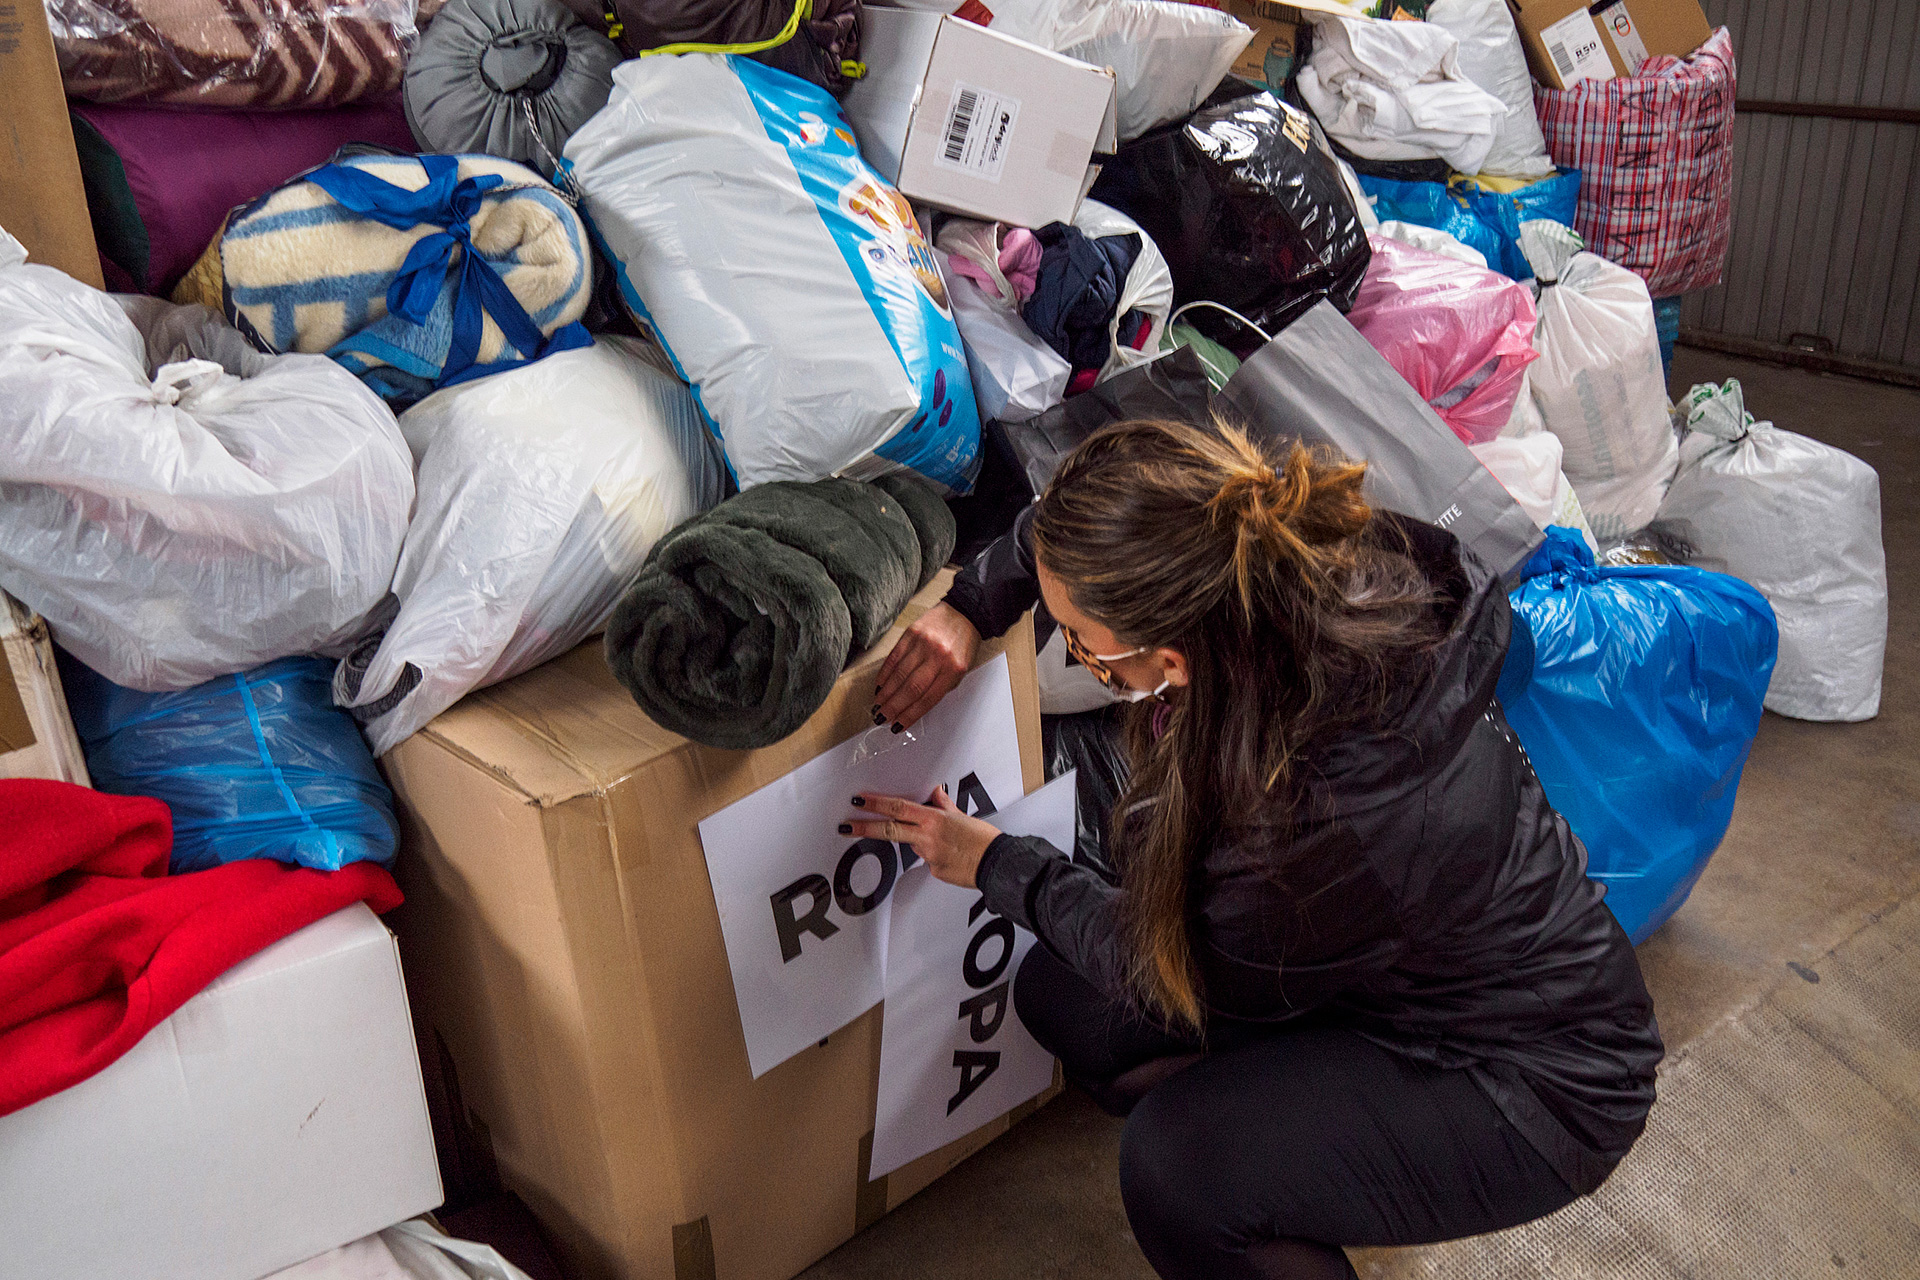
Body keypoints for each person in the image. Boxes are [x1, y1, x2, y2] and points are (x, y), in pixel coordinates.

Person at [842, 420, 1663, 1280]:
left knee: (1179, 1170)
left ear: (1168, 656)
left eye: (1079, 642)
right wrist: (972, 607)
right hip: (1378, 968)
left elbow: (1175, 964)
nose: (1072, 652)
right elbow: (1075, 528)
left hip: (1530, 1077)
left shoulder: (1320, 805)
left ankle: (1276, 1157)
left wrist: (995, 865)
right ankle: (1285, 1114)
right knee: (1066, 993)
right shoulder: (1250, 548)